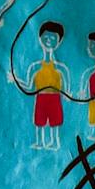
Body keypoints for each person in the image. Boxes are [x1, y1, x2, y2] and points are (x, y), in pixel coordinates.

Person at [28, 22, 69, 150]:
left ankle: (54, 142)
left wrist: (67, 95)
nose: (49, 41)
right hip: (40, 98)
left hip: (55, 98)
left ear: (59, 42)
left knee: (55, 122)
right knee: (39, 121)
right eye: (46, 37)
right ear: (40, 39)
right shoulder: (34, 67)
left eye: (53, 38)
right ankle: (39, 142)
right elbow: (29, 88)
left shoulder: (61, 68)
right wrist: (15, 79)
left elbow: (66, 89)